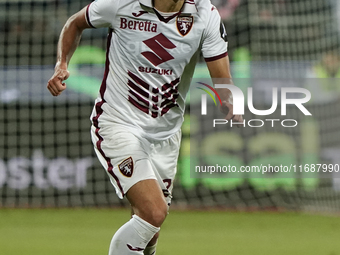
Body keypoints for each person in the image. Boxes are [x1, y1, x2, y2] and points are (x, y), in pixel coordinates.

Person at [47, 0, 243, 254]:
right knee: (154, 211)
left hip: (165, 135)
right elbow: (75, 22)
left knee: (150, 228)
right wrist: (62, 64)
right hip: (118, 123)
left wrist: (229, 100)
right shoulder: (121, 3)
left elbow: (222, 79)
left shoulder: (206, 14)